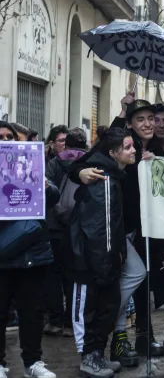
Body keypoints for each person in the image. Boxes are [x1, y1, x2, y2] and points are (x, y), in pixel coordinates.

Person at [70, 95, 164, 366]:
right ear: (130, 123)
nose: (147, 124)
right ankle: (109, 329)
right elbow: (88, 162)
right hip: (111, 233)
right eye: (141, 119)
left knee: (130, 280)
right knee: (129, 278)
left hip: (136, 230)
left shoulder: (154, 147)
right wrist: (80, 173)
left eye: (151, 119)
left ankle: (114, 334)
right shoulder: (123, 145)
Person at [66, 128, 137, 378]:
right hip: (91, 261)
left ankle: (97, 355)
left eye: (132, 146)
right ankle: (88, 357)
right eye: (127, 147)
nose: (133, 150)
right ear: (112, 152)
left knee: (107, 306)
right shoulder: (103, 178)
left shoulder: (114, 175)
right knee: (89, 310)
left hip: (105, 260)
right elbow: (101, 226)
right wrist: (106, 261)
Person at [0, 121, 60, 378]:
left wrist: (46, 186)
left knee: (33, 314)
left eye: (9, 136)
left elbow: (54, 197)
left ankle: (32, 363)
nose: (5, 140)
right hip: (2, 256)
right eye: (0, 136)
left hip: (32, 254)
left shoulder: (30, 165)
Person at [43, 128, 89, 338]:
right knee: (73, 275)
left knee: (53, 275)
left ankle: (55, 321)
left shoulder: (53, 163)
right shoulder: (89, 162)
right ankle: (72, 322)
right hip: (77, 226)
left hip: (53, 226)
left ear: (66, 144)